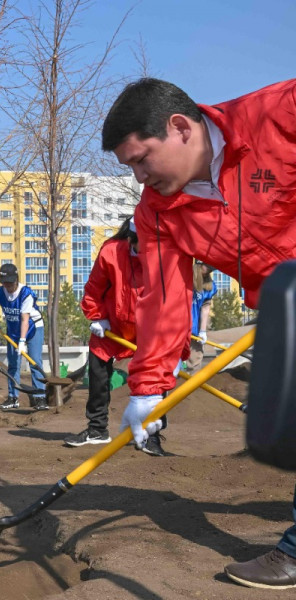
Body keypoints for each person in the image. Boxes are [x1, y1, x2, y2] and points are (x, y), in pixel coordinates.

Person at [102, 77, 296, 589]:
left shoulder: (278, 116)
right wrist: (148, 386)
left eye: (142, 159)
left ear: (180, 128)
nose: (140, 177)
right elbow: (164, 298)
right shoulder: (156, 212)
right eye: (130, 168)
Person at [66, 218, 144, 449]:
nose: (149, 249)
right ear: (131, 239)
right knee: (98, 377)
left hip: (147, 327)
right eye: (144, 244)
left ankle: (151, 431)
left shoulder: (162, 254)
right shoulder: (111, 252)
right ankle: (97, 429)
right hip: (110, 328)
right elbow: (93, 288)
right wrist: (97, 316)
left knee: (152, 381)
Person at [0, 263, 47, 410]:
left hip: (33, 327)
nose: (8, 286)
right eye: (5, 283)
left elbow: (25, 319)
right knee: (13, 364)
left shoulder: (25, 293)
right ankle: (13, 397)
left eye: (10, 283)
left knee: (34, 362)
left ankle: (40, 398)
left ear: (16, 280)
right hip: (13, 329)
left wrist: (22, 341)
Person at [188, 261, 217, 366]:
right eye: (208, 267)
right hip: (178, 325)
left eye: (211, 269)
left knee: (194, 359)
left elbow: (205, 308)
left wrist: (203, 331)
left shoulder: (209, 286)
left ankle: (193, 381)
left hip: (194, 327)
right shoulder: (185, 276)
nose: (209, 270)